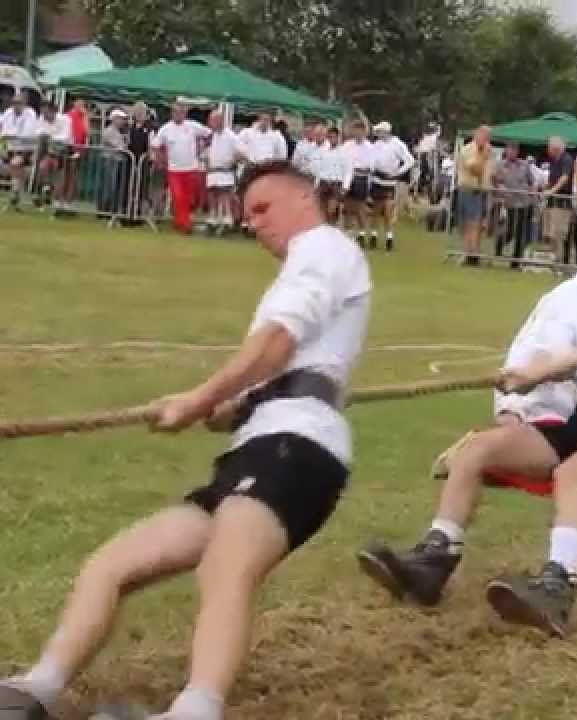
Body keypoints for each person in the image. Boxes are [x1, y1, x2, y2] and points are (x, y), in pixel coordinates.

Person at [0, 161, 370, 720]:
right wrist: (230, 408)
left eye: (264, 208)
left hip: (300, 444)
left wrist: (198, 398)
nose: (255, 224)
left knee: (227, 564)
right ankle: (35, 690)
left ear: (304, 197)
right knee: (112, 564)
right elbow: (281, 368)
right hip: (261, 442)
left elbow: (276, 343)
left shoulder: (323, 248)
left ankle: (196, 711)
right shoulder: (308, 262)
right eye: (248, 216)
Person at [355, 178, 577, 639]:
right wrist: (519, 395)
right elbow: (545, 339)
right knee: (478, 449)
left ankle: (556, 588)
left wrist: (554, 367)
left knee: (573, 475)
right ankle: (434, 561)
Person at [150, 101, 211, 235]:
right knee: (178, 196)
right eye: (175, 112)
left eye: (180, 112)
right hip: (174, 170)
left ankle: (181, 221)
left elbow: (209, 134)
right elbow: (155, 145)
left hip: (191, 168)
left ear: (185, 113)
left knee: (188, 199)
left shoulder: (192, 126)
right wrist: (161, 160)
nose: (177, 115)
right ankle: (186, 224)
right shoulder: (165, 128)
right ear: (172, 113)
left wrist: (202, 147)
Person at [369, 122, 415, 252]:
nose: (378, 134)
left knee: (388, 210)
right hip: (377, 178)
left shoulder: (397, 144)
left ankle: (389, 238)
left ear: (386, 132)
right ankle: (374, 235)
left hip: (389, 180)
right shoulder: (377, 144)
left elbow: (410, 160)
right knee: (375, 210)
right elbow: (373, 159)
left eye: (380, 132)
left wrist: (397, 172)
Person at [493, 141, 538, 264]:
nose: (512, 152)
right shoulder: (500, 166)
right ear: (506, 151)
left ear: (518, 152)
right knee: (511, 230)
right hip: (511, 202)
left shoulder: (524, 165)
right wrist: (500, 187)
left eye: (515, 150)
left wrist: (533, 190)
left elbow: (532, 181)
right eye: (510, 149)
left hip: (526, 202)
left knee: (521, 232)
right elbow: (495, 181)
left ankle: (516, 260)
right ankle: (499, 244)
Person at [457, 125, 494, 264]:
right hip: (469, 189)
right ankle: (470, 253)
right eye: (484, 137)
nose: (486, 140)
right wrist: (483, 156)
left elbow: (490, 171)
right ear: (476, 135)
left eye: (488, 137)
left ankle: (475, 252)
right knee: (471, 223)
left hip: (483, 191)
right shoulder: (468, 150)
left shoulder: (488, 151)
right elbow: (475, 170)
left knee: (480, 224)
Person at [203, 110, 241, 237]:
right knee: (212, 194)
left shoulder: (231, 136)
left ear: (220, 121)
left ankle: (227, 220)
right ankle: (213, 220)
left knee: (224, 194)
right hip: (212, 170)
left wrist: (233, 162)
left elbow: (240, 151)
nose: (210, 123)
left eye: (213, 120)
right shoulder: (210, 135)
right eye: (210, 120)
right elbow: (206, 150)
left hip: (225, 171)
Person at [339, 119, 377, 248]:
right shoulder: (347, 145)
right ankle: (349, 235)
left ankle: (361, 233)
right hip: (347, 177)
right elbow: (342, 160)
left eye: (360, 131)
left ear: (365, 132)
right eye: (355, 130)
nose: (358, 133)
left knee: (359, 208)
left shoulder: (370, 147)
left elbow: (371, 166)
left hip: (361, 178)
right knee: (348, 207)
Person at [0, 93, 40, 209]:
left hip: (26, 148)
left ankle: (16, 193)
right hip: (10, 146)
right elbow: (3, 129)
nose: (15, 105)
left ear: (24, 103)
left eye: (18, 103)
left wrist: (9, 135)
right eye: (14, 103)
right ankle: (18, 194)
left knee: (15, 165)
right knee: (17, 173)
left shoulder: (30, 113)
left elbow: (26, 134)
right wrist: (6, 137)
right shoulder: (8, 112)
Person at [33, 100, 73, 209]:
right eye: (42, 112)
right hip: (51, 151)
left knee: (63, 177)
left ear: (52, 110)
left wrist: (50, 137)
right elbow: (38, 132)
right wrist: (48, 137)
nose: (43, 116)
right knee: (43, 168)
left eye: (45, 112)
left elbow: (65, 136)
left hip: (66, 151)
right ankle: (47, 188)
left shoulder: (65, 119)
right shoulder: (42, 119)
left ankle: (62, 202)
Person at [542, 135, 575, 257]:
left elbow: (564, 178)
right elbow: (554, 178)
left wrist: (552, 191)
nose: (547, 150)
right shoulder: (554, 161)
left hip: (562, 203)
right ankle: (553, 259)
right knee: (550, 233)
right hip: (552, 202)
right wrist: (546, 187)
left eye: (549, 147)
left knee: (559, 233)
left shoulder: (567, 159)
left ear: (555, 147)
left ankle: (559, 261)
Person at [311, 126, 347, 223]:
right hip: (323, 182)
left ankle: (332, 227)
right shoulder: (324, 151)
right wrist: (316, 184)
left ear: (339, 138)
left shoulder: (344, 152)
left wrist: (345, 186)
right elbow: (320, 169)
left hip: (336, 183)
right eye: (330, 137)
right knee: (322, 211)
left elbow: (347, 170)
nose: (332, 139)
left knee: (331, 210)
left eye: (334, 137)